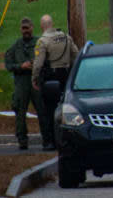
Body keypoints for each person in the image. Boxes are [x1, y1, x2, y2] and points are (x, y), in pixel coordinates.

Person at [31, 14, 78, 151]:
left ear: (42, 26)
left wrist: (34, 78)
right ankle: (67, 138)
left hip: (51, 77)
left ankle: (51, 141)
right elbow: (75, 54)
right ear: (52, 24)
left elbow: (38, 64)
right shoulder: (65, 37)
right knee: (66, 107)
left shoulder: (42, 41)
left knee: (49, 110)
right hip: (66, 75)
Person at [4, 18, 46, 150]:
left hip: (36, 82)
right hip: (21, 83)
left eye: (28, 28)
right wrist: (21, 66)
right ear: (20, 29)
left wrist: (35, 65)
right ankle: (22, 140)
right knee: (20, 112)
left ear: (32, 28)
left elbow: (47, 60)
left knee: (43, 110)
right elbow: (8, 65)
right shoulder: (16, 46)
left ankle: (47, 139)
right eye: (23, 28)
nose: (26, 31)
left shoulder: (39, 43)